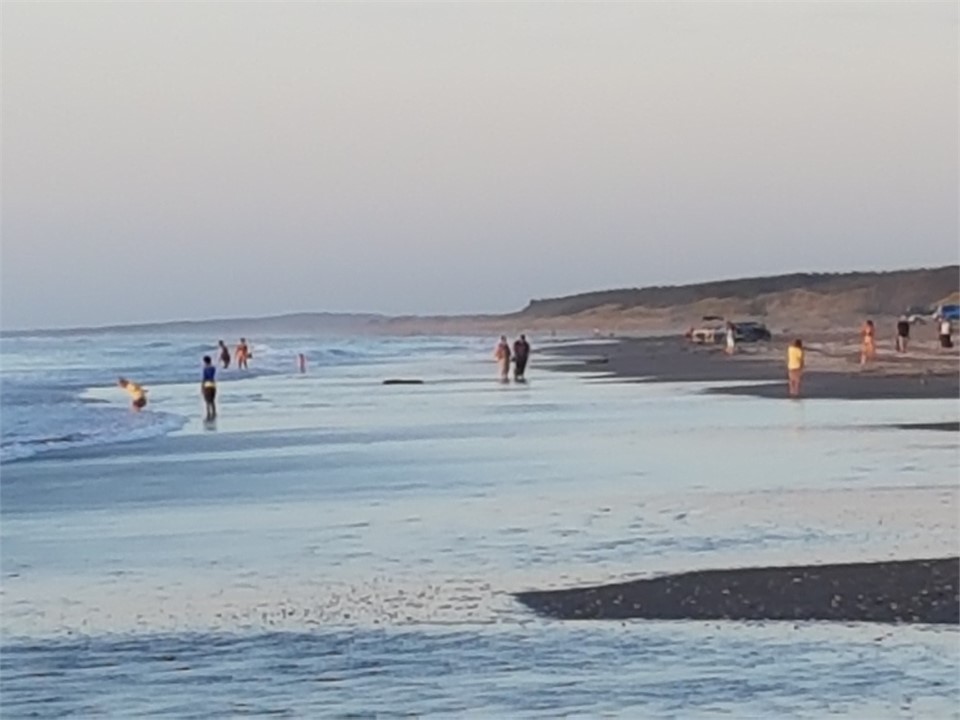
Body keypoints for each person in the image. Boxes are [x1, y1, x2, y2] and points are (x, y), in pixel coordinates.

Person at [201, 355, 217, 420]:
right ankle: (214, 412)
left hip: (207, 384)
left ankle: (208, 413)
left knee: (207, 401)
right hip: (213, 384)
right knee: (212, 400)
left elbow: (204, 378)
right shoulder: (213, 368)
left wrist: (202, 387)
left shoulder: (205, 369)